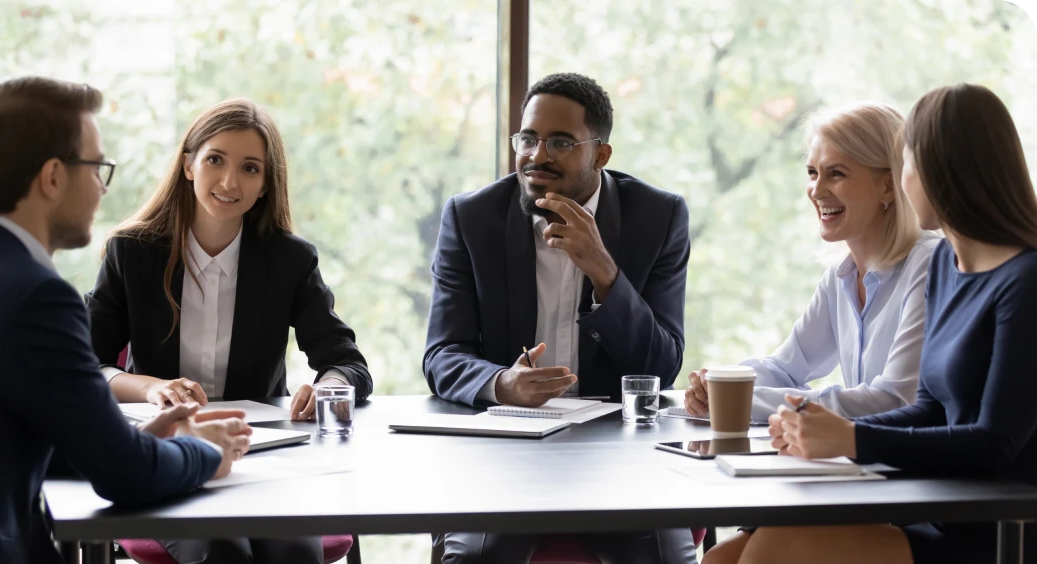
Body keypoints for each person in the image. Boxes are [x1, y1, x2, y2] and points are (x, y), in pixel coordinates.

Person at [707, 84, 1037, 564]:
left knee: (777, 548)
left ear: (948, 171)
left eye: (908, 164)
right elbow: (928, 406)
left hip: (997, 528)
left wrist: (853, 438)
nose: (905, 181)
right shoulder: (948, 263)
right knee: (723, 557)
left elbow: (995, 443)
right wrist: (819, 432)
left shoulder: (1026, 281)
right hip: (933, 501)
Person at [0, 76, 250, 564]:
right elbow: (127, 476)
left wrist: (122, 440)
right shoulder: (37, 297)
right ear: (53, 178)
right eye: (96, 168)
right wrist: (206, 449)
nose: (102, 188)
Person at [424, 73, 694, 563]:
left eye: (561, 142)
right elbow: (442, 354)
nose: (537, 155)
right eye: (528, 138)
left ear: (601, 154)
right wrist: (502, 383)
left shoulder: (658, 217)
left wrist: (605, 271)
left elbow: (661, 366)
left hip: (621, 448)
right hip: (506, 449)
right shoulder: (472, 217)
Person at [86, 98, 371, 563]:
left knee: (294, 552)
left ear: (265, 185)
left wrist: (328, 387)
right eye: (215, 159)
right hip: (170, 456)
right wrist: (152, 387)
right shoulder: (132, 252)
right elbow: (90, 368)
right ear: (188, 166)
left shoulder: (289, 260)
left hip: (261, 457)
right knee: (224, 551)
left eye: (250, 168)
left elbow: (345, 362)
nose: (229, 182)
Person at [684, 102, 938, 428]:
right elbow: (786, 368)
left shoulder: (930, 265)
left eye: (837, 173)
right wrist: (718, 384)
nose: (816, 190)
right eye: (812, 173)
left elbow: (892, 401)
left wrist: (739, 400)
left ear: (889, 184)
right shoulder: (841, 277)